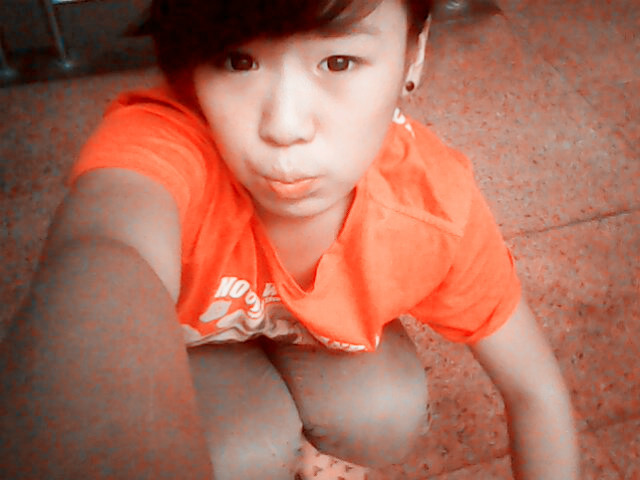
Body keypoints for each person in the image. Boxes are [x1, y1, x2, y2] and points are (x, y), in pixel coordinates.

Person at [0, 0, 580, 478]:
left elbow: (535, 391)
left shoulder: (432, 208)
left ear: (414, 53)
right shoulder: (163, 147)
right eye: (237, 60)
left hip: (319, 345)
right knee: (241, 452)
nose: (284, 126)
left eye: (338, 62)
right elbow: (105, 252)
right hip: (196, 353)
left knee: (386, 411)